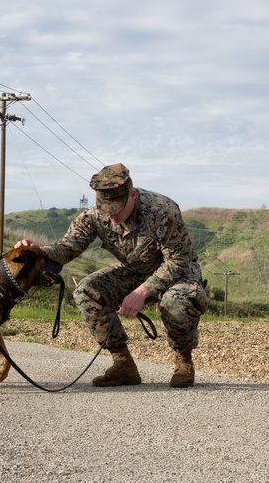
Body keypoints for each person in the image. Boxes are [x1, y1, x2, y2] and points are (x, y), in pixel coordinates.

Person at [17, 163, 208, 388]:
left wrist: (141, 292)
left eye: (117, 209)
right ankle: (124, 365)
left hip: (176, 273)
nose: (111, 216)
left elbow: (178, 261)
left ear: (132, 195)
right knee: (86, 291)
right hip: (134, 271)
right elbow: (67, 247)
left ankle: (183, 360)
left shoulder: (162, 210)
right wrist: (38, 251)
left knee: (177, 301)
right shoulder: (95, 215)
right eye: (106, 209)